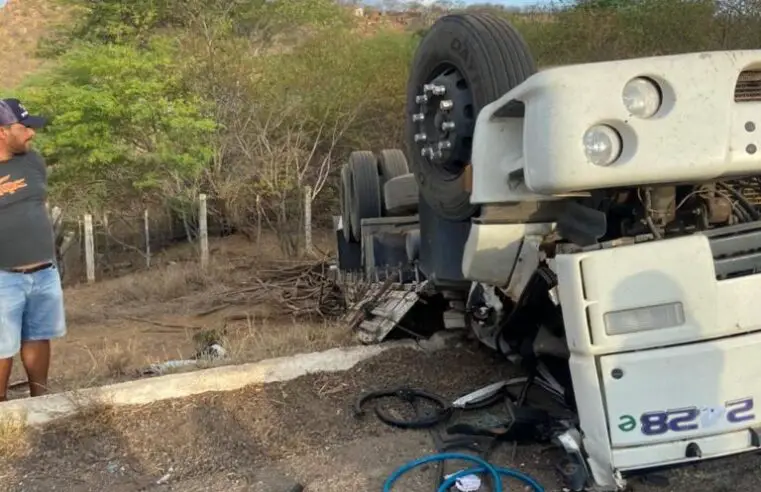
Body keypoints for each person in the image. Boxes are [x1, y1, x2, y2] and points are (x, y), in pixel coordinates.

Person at [0, 98, 65, 401]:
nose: (31, 134)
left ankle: (41, 405)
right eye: (24, 128)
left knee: (38, 337)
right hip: (3, 277)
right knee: (1, 347)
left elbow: (37, 203)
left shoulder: (33, 161)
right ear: (3, 132)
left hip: (44, 273)